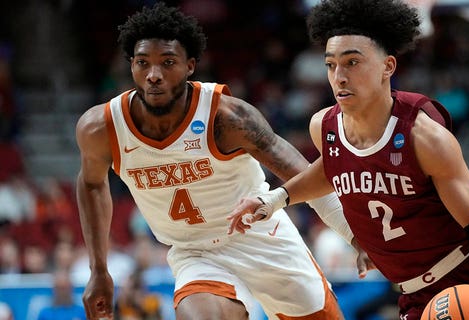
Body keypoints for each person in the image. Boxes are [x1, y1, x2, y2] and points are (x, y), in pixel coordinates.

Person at [228, 0, 469, 319]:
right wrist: (274, 199)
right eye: (331, 64)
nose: (339, 76)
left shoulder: (424, 135)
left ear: (387, 66)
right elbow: (332, 168)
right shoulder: (325, 127)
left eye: (352, 62)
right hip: (415, 295)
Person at [75, 3, 355, 319]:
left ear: (190, 66)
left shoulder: (227, 117)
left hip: (261, 237)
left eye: (168, 62)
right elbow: (92, 184)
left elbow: (305, 176)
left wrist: (356, 237)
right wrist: (99, 269)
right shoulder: (101, 127)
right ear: (131, 65)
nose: (154, 75)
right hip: (195, 252)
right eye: (143, 63)